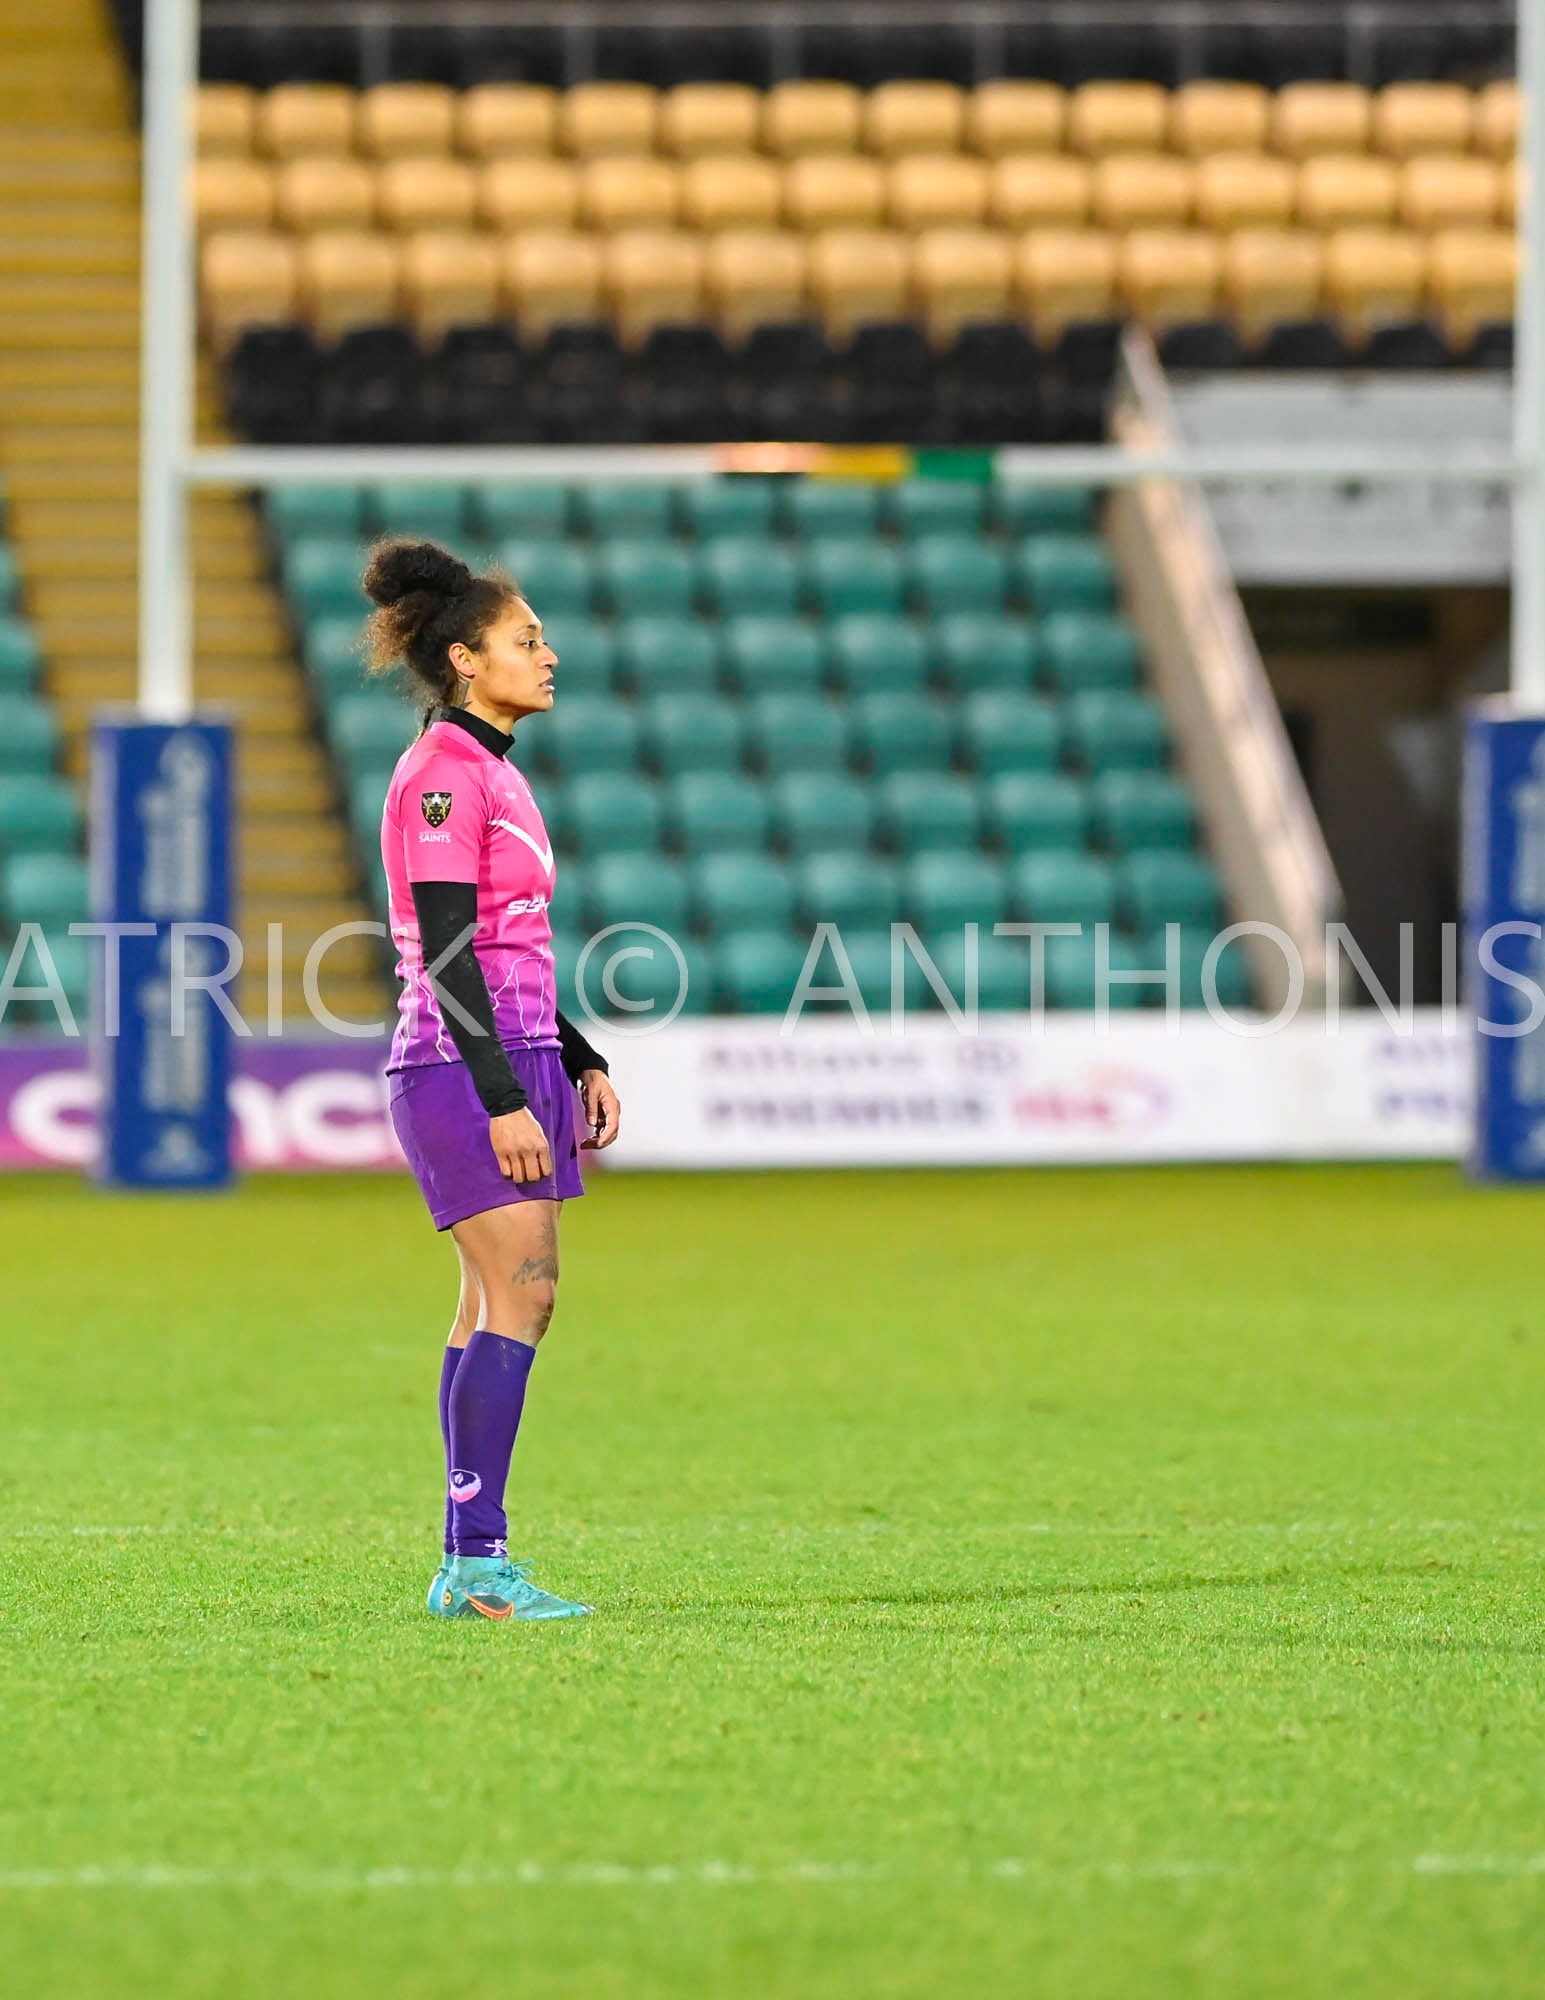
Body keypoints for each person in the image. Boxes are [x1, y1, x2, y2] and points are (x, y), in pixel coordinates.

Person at [366, 538, 621, 1623]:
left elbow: (511, 945)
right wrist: (508, 1098)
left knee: (492, 1300)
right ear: (467, 657)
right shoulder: (440, 777)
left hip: (511, 1052)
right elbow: (448, 949)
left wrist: (576, 1053)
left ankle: (466, 1556)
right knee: (526, 1292)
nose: (548, 654)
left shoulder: (495, 770)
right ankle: (478, 1561)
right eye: (527, 639)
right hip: (463, 1065)